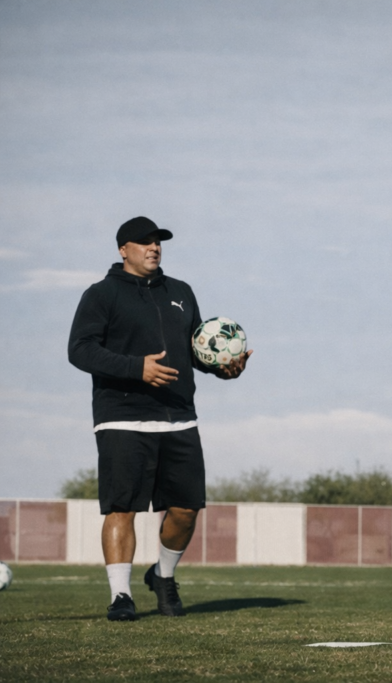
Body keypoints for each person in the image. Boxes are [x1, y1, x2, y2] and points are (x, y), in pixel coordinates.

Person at [68, 216, 252, 621]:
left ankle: (163, 576)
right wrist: (137, 369)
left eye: (158, 242)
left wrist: (223, 368)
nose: (154, 248)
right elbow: (79, 350)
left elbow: (196, 354)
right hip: (123, 417)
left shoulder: (181, 293)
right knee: (121, 509)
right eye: (144, 242)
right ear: (123, 249)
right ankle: (120, 597)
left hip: (179, 418)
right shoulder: (101, 295)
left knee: (186, 509)